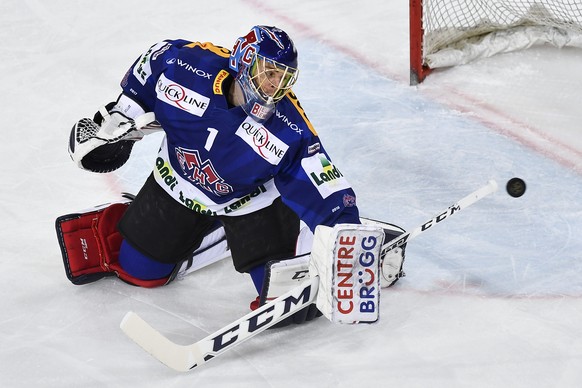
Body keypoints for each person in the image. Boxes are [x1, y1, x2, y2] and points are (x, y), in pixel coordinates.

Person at [57, 25, 406, 326]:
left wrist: (346, 231)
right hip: (179, 180)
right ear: (243, 59)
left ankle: (316, 238)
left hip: (252, 203)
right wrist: (124, 111)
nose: (274, 84)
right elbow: (155, 60)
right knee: (139, 271)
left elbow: (321, 180)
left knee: (287, 306)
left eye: (284, 77)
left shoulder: (289, 129)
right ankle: (193, 230)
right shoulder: (188, 66)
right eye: (269, 72)